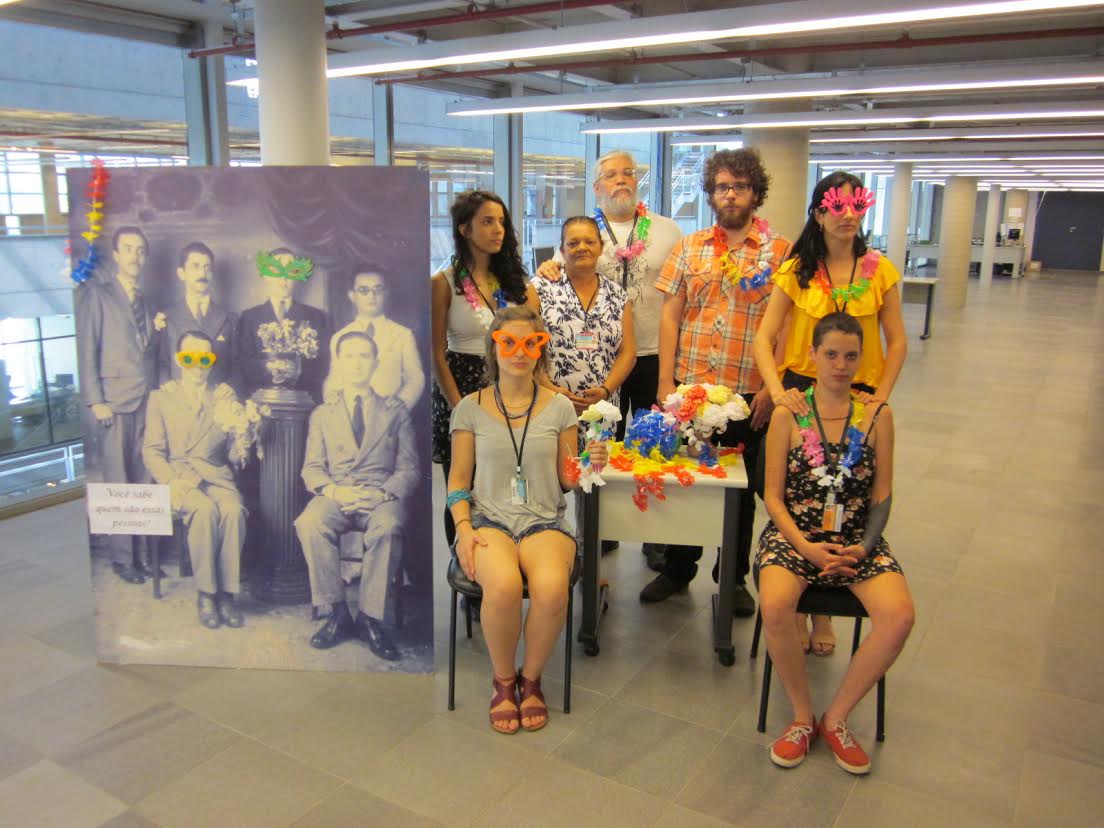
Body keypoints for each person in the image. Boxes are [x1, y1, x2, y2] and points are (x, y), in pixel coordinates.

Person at [753, 170, 907, 656]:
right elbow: (765, 336)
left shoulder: (879, 269)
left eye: (856, 206)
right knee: (795, 491)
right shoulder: (796, 269)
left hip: (859, 392)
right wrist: (779, 392)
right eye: (836, 206)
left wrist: (879, 398)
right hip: (803, 392)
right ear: (818, 213)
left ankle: (825, 607)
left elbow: (898, 340)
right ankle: (796, 598)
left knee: (849, 495)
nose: (848, 216)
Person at [756, 312, 913, 775]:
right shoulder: (788, 412)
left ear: (861, 360)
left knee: (900, 616)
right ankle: (803, 716)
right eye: (831, 355)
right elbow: (772, 497)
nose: (840, 365)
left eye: (850, 356)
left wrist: (863, 547)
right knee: (776, 604)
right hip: (796, 537)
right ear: (813, 356)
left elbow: (882, 494)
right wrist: (805, 547)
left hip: (856, 540)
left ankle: (837, 717)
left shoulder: (878, 416)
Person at [642, 149, 791, 614]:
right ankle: (678, 568)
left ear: (755, 193)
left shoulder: (780, 251)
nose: (730, 194)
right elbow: (672, 314)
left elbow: (786, 324)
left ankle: (732, 577)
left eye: (740, 186)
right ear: (711, 193)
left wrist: (771, 387)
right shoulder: (689, 247)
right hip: (691, 386)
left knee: (740, 490)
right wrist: (666, 379)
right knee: (687, 478)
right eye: (722, 186)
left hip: (745, 391)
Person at [447, 306, 608, 733]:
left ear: (541, 350)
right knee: (500, 587)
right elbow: (459, 481)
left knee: (553, 589)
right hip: (489, 522)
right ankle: (503, 682)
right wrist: (463, 529)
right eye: (509, 343)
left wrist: (590, 464)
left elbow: (567, 479)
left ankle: (531, 678)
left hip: (544, 522)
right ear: (493, 350)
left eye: (530, 343)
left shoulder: (559, 409)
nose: (519, 352)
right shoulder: (469, 408)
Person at [535, 151, 681, 565]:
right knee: (584, 460)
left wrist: (608, 386)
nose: (621, 180)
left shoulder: (668, 231)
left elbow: (678, 297)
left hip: (651, 360)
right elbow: (535, 319)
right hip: (575, 378)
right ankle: (587, 537)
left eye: (627, 173)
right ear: (597, 186)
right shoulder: (576, 243)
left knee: (651, 449)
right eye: (610, 175)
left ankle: (650, 540)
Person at [294, 330, 417, 661]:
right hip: (338, 493)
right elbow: (312, 469)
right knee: (309, 522)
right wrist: (335, 490)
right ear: (339, 363)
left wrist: (380, 494)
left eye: (364, 356)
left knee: (388, 527)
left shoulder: (395, 411)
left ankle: (369, 618)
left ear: (376, 363)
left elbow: (409, 469)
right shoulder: (322, 413)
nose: (357, 363)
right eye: (349, 356)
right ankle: (337, 613)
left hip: (379, 496)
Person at [431, 190, 536, 547]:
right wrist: (458, 404)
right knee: (462, 482)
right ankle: (466, 561)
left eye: (502, 222)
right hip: (460, 383)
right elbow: (435, 351)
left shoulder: (519, 285)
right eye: (487, 222)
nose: (498, 230)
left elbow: (537, 341)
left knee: (505, 478)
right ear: (465, 229)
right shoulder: (443, 283)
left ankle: (508, 556)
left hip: (512, 386)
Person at [142, 330, 247, 629]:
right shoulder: (161, 398)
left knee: (233, 510)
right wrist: (171, 481)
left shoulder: (223, 396)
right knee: (203, 510)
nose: (197, 364)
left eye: (205, 357)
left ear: (212, 361)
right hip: (180, 478)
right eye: (190, 357)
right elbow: (151, 451)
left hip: (216, 475)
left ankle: (227, 594)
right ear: (178, 359)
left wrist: (241, 443)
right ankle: (206, 593)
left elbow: (231, 449)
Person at [76, 225, 160, 585]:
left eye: (141, 250)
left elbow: (143, 350)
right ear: (115, 254)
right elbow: (86, 352)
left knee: (143, 480)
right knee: (118, 482)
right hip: (113, 403)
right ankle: (123, 560)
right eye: (128, 249)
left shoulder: (145, 299)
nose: (135, 256)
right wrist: (96, 400)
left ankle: (142, 555)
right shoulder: (98, 295)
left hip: (145, 400)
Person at [529, 216, 636, 417]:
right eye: (573, 243)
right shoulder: (539, 288)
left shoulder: (618, 296)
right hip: (549, 402)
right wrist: (549, 388)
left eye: (589, 241)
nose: (582, 247)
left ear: (601, 247)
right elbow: (527, 345)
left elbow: (627, 353)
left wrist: (605, 391)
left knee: (598, 450)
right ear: (561, 250)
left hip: (601, 407)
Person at [238, 247, 330, 402]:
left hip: (303, 402)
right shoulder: (249, 318)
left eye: (291, 271)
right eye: (276, 271)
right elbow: (243, 363)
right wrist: (268, 366)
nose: (284, 278)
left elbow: (323, 364)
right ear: (265, 276)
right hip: (262, 402)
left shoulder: (315, 317)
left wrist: (297, 369)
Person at [329, 268, 425, 409]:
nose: (371, 296)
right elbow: (334, 379)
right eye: (363, 290)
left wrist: (400, 405)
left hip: (389, 417)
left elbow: (415, 378)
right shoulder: (339, 337)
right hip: (349, 416)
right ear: (351, 295)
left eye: (377, 290)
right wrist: (333, 403)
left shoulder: (403, 335)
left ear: (386, 294)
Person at [156, 242, 239, 389]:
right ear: (181, 273)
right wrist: (166, 384)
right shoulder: (166, 317)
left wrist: (230, 387)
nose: (202, 274)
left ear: (212, 274)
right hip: (179, 400)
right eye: (195, 266)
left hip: (215, 401)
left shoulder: (229, 319)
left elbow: (236, 365)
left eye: (207, 267)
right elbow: (161, 362)